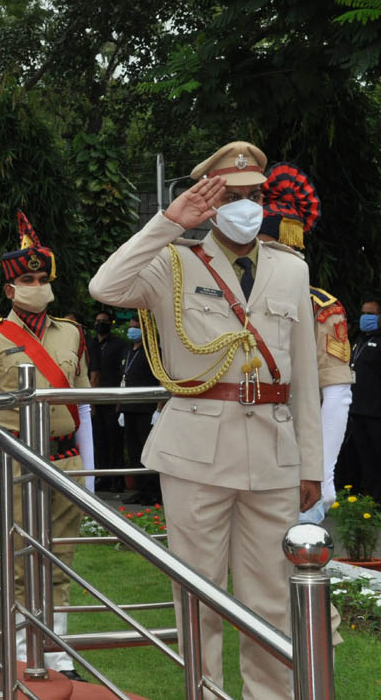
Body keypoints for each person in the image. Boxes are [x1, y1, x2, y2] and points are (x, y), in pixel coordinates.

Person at [89, 141, 321, 698]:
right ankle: (207, 693)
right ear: (207, 200)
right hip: (195, 450)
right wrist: (170, 223)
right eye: (230, 196)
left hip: (273, 452)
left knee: (272, 594)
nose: (246, 206)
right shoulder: (171, 261)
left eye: (253, 195)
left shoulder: (291, 268)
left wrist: (310, 465)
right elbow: (106, 287)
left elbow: (306, 379)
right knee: (197, 593)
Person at [0, 211, 91, 681]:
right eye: (27, 279)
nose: (36, 285)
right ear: (9, 290)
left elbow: (83, 407)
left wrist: (91, 473)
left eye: (41, 278)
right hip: (14, 459)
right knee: (19, 559)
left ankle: (57, 653)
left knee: (61, 557)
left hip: (65, 457)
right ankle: (22, 650)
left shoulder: (72, 333)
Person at [257, 162, 354, 522]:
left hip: (295, 455)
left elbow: (337, 393)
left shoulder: (320, 306)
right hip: (240, 452)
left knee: (294, 568)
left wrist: (322, 472)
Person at [117, 315, 161, 506]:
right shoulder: (128, 350)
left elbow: (161, 379)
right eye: (131, 326)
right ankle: (140, 490)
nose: (132, 330)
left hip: (146, 409)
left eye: (136, 327)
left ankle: (153, 491)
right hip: (129, 408)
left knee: (146, 450)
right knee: (134, 451)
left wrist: (158, 409)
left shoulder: (153, 352)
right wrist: (120, 407)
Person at [87, 309, 126, 492]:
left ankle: (116, 480)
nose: (99, 323)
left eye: (103, 320)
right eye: (97, 320)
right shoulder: (91, 344)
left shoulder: (119, 345)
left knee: (114, 441)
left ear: (110, 323)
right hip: (95, 399)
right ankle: (101, 478)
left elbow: (123, 372)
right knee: (99, 441)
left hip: (112, 398)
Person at [347, 299, 381, 501]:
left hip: (376, 412)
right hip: (357, 410)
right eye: (363, 313)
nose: (365, 318)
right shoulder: (358, 340)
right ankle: (369, 496)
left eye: (371, 314)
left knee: (378, 456)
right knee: (363, 456)